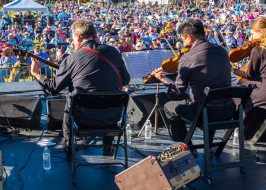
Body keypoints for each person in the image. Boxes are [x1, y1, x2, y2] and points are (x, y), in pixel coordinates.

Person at [30, 19, 130, 155]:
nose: (73, 41)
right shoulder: (112, 52)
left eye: (73, 38)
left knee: (70, 101)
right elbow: (125, 79)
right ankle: (108, 146)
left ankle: (69, 144)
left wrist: (36, 73)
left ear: (78, 36)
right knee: (108, 96)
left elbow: (52, 89)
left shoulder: (72, 58)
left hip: (83, 117)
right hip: (112, 117)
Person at [153, 18, 233, 144]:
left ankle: (187, 147)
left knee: (169, 107)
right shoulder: (222, 51)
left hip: (204, 113)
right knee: (208, 97)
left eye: (183, 39)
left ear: (189, 37)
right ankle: (209, 145)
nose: (183, 43)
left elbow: (177, 90)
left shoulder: (188, 58)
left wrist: (163, 78)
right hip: (228, 110)